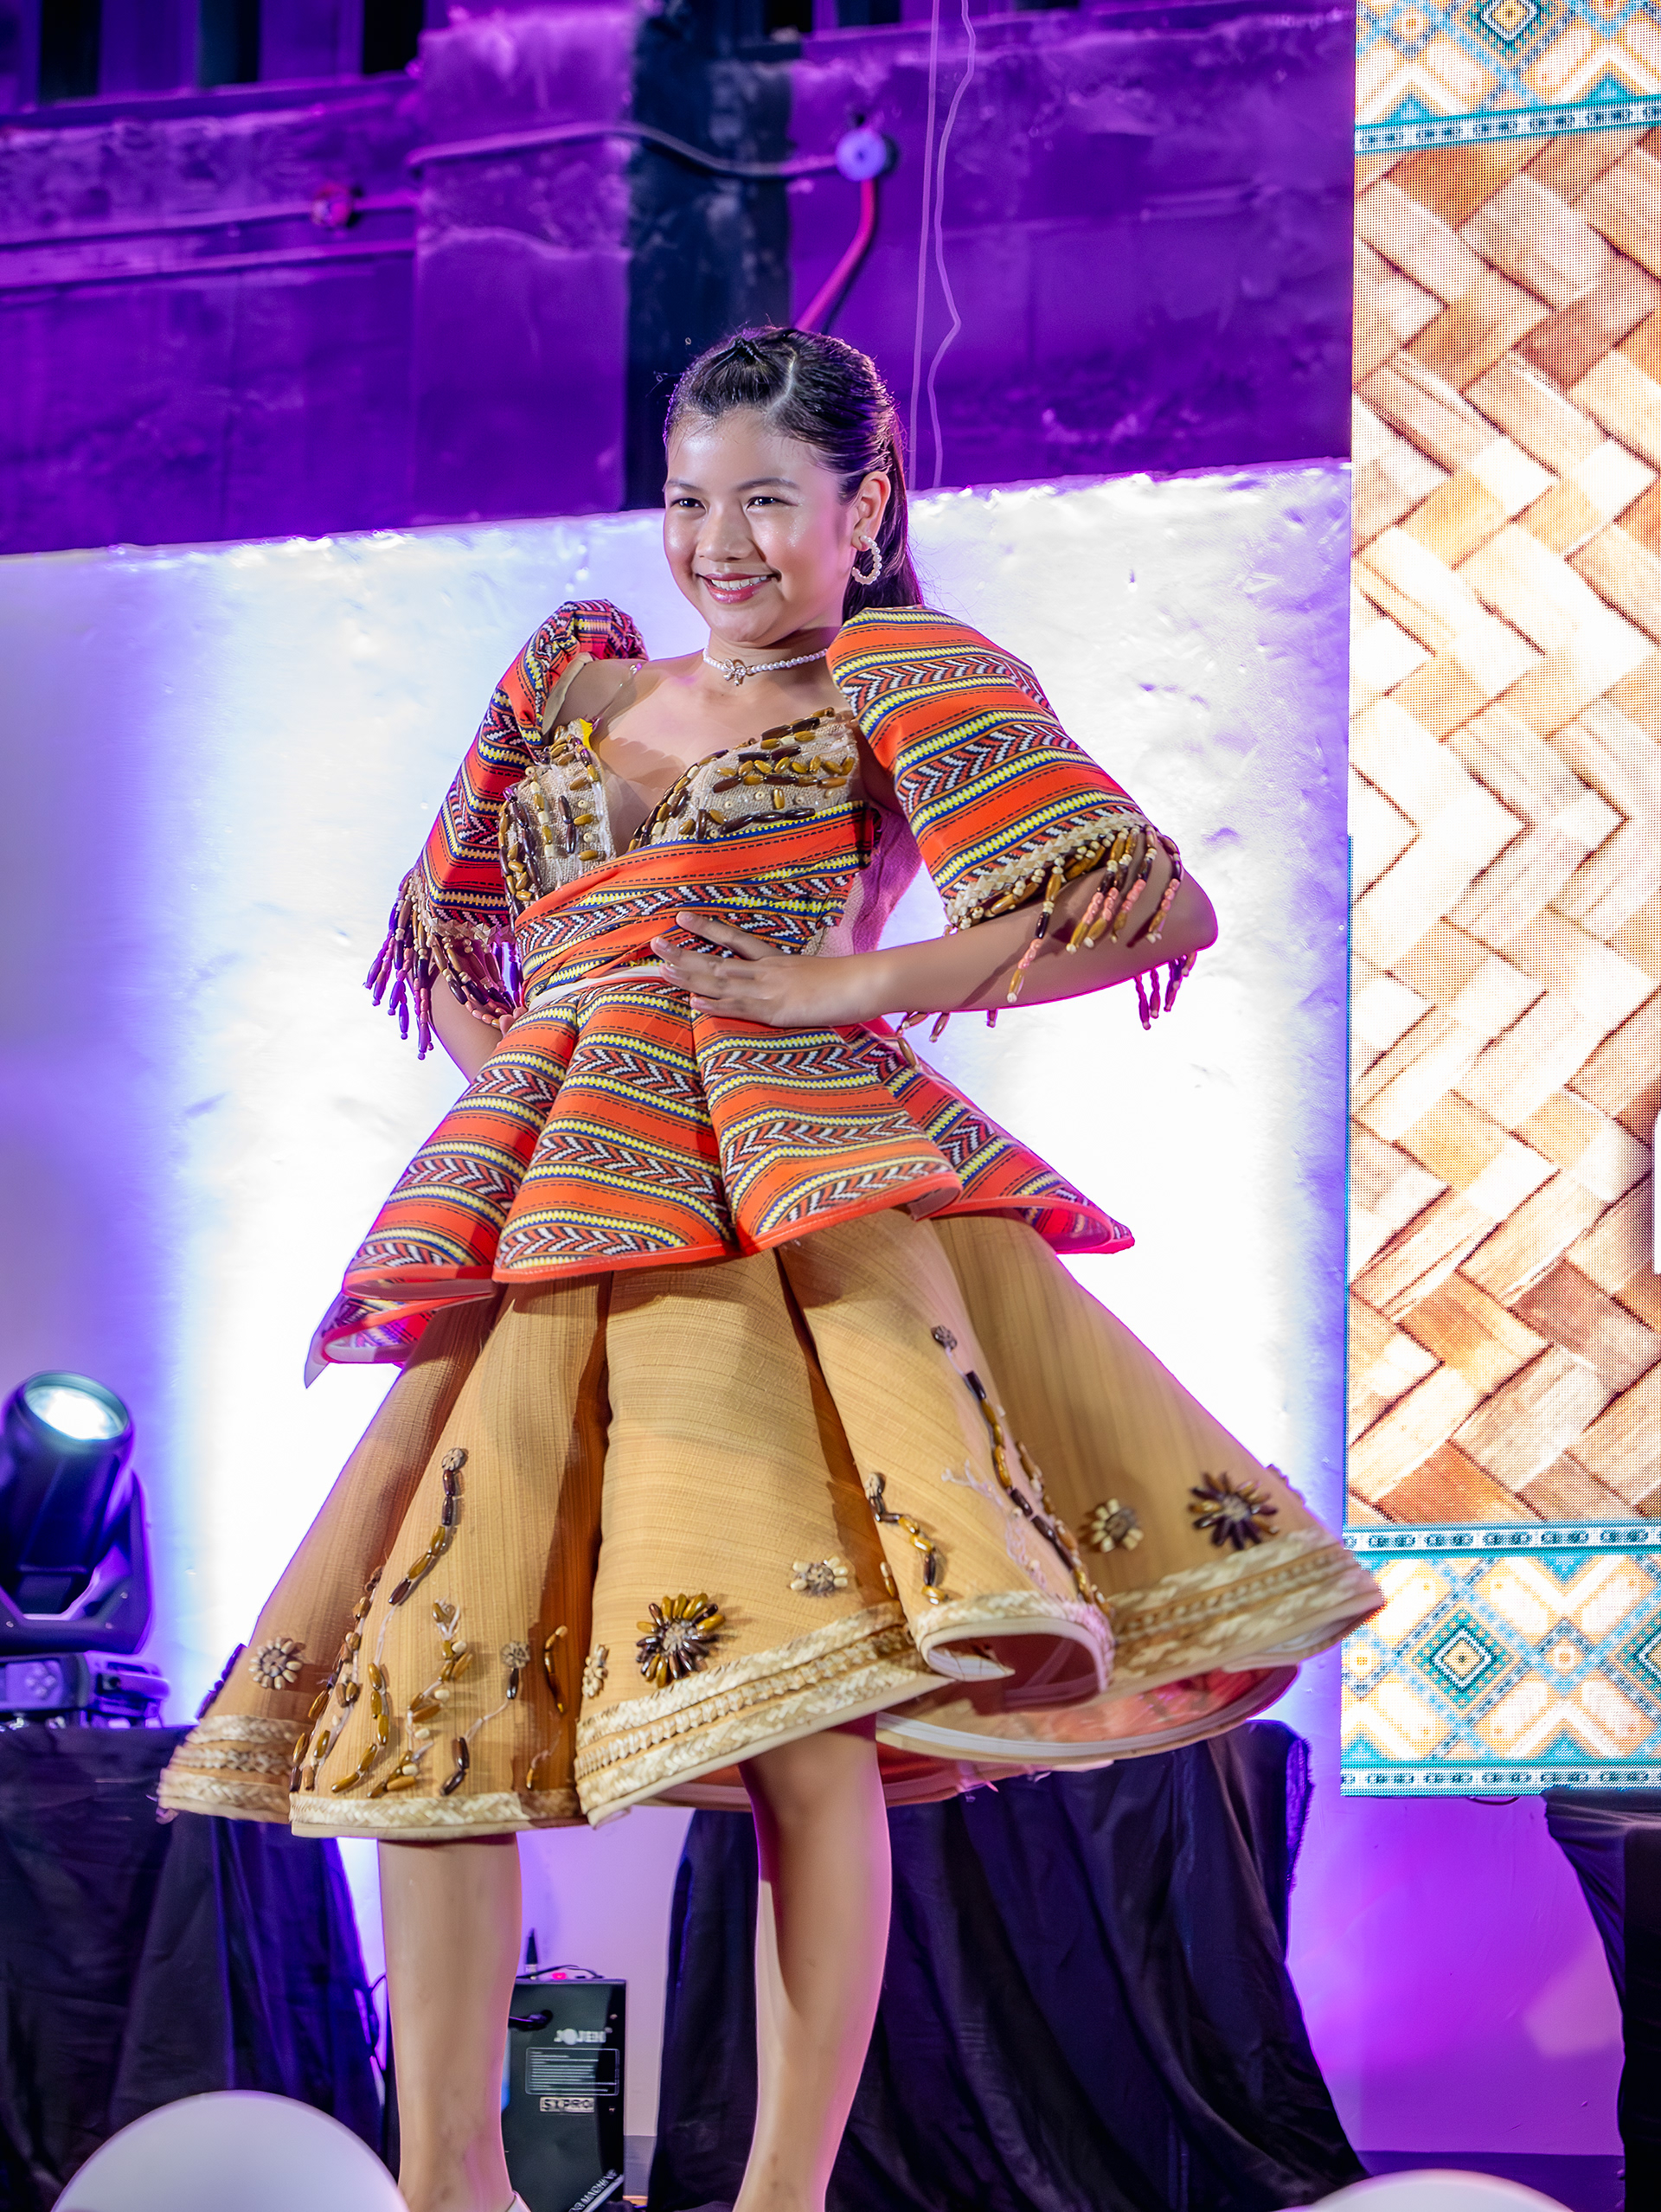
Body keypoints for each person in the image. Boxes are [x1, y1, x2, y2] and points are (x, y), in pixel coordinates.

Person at [163, 329, 1378, 2212]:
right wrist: (539, 1099)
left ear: (863, 506)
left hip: (781, 1217)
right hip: (559, 1213)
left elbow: (1152, 906)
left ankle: (781, 2194)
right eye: (687, 500)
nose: (716, 543)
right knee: (431, 1692)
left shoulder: (898, 669)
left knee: (804, 1704)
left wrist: (844, 984)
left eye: (765, 502)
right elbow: (460, 947)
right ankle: (446, 2187)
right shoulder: (568, 672)